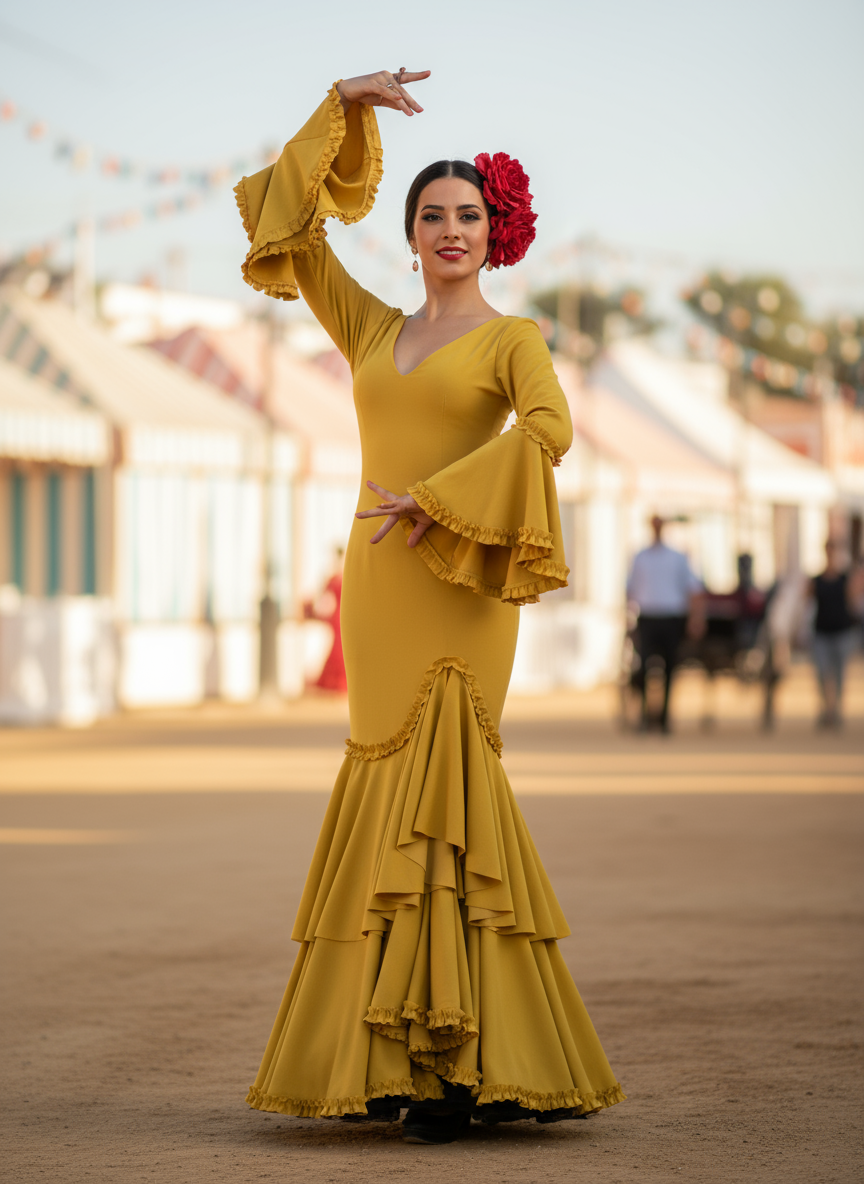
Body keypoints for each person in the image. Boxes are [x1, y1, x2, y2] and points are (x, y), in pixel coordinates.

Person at [235, 68, 623, 1145]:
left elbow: (547, 433)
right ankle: (399, 1054)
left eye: (469, 215)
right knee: (381, 798)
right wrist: (340, 108)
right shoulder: (365, 327)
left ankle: (464, 1065)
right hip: (379, 584)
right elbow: (285, 225)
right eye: (432, 215)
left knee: (452, 798)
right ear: (407, 234)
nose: (452, 229)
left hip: (458, 586)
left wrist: (445, 500)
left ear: (497, 232)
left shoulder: (516, 342)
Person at [627, 515, 704, 732]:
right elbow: (630, 588)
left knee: (670, 668)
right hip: (648, 616)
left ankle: (664, 717)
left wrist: (695, 618)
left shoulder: (677, 557)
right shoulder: (640, 557)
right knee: (643, 667)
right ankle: (644, 715)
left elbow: (693, 589)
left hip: (672, 617)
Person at [809, 539, 863, 729]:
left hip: (841, 632)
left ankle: (836, 709)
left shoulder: (845, 578)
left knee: (839, 674)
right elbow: (807, 604)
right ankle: (826, 708)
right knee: (823, 673)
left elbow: (854, 601)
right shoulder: (816, 580)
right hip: (821, 632)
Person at [303, 547, 348, 692]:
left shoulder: (335, 578)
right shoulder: (343, 577)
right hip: (341, 616)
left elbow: (325, 602)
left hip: (340, 616)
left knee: (339, 648)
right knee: (340, 648)